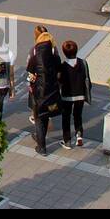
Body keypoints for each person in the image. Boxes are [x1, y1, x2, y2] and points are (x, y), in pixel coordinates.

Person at [25, 26, 62, 154]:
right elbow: (59, 72)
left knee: (39, 117)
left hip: (38, 92)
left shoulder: (34, 55)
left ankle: (42, 147)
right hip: (52, 90)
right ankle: (41, 139)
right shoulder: (55, 55)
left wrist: (30, 85)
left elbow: (30, 74)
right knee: (45, 116)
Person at [59, 40, 93, 148]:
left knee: (66, 118)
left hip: (67, 96)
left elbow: (59, 81)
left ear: (64, 52)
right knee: (78, 115)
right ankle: (79, 135)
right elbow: (87, 79)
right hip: (80, 95)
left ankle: (67, 141)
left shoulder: (63, 66)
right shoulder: (83, 63)